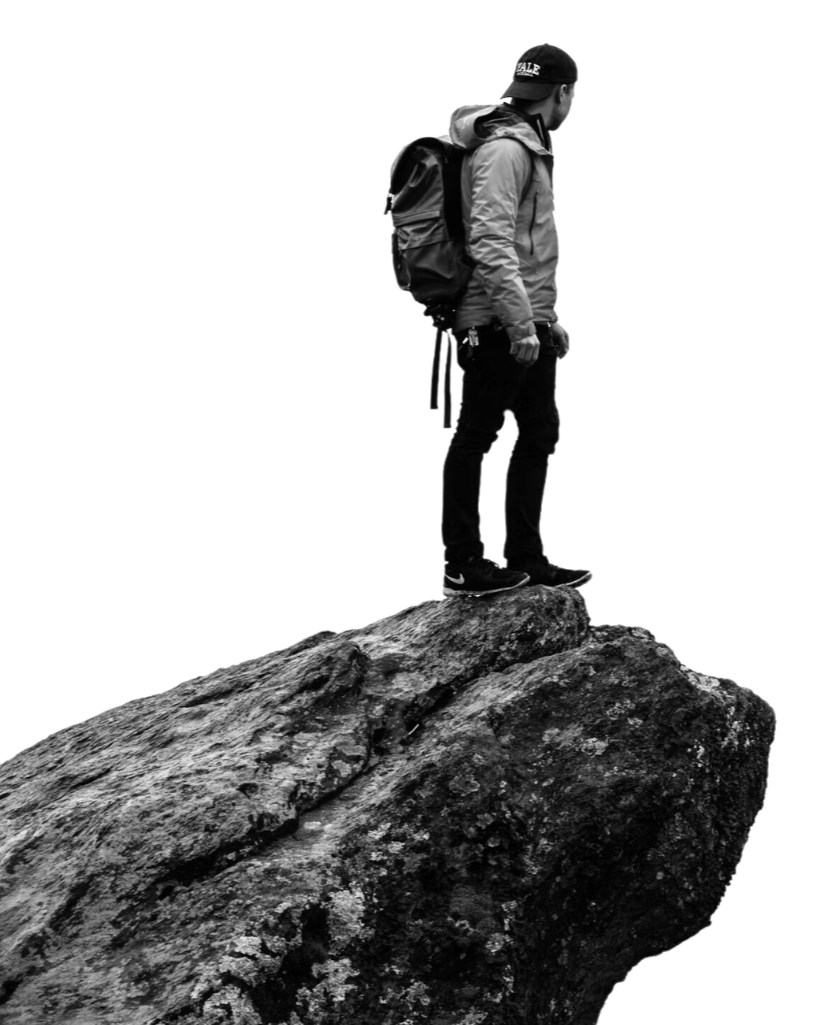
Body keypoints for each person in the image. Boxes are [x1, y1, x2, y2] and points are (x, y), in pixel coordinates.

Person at [440, 42, 594, 597]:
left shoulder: (531, 143)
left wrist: (546, 319)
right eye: (573, 93)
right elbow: (490, 240)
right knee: (477, 435)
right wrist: (519, 322)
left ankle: (526, 557)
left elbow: (529, 248)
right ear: (562, 92)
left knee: (538, 433)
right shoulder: (506, 149)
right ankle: (461, 563)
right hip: (495, 320)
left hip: (524, 318)